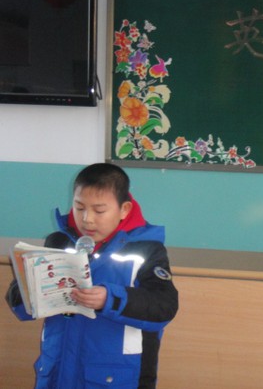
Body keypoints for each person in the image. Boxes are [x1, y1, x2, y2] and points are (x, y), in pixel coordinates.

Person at [5, 163, 179, 389]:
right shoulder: (58, 242)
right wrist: (32, 288)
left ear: (124, 209)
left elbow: (163, 307)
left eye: (99, 211)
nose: (87, 219)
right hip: (56, 373)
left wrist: (110, 299)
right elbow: (19, 306)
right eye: (79, 208)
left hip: (116, 378)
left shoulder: (146, 250)